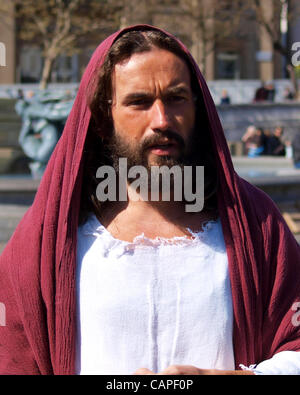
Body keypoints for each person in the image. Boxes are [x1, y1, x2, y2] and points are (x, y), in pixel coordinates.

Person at [0, 25, 299, 376]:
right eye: (139, 102)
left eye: (176, 98)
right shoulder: (47, 240)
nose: (161, 120)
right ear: (102, 118)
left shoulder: (255, 224)